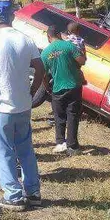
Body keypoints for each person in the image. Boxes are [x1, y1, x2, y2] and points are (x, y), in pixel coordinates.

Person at [0, 0, 45, 211]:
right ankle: (33, 193)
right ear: (12, 16)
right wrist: (31, 93)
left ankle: (14, 196)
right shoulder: (26, 39)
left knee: (4, 151)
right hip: (23, 106)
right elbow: (40, 69)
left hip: (1, 107)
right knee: (25, 149)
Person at [42, 25, 86, 156]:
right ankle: (72, 146)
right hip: (74, 86)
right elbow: (82, 61)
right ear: (60, 35)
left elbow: (43, 74)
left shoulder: (45, 53)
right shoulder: (69, 46)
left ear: (48, 37)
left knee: (59, 116)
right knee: (72, 115)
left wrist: (47, 87)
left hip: (57, 88)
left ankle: (60, 143)